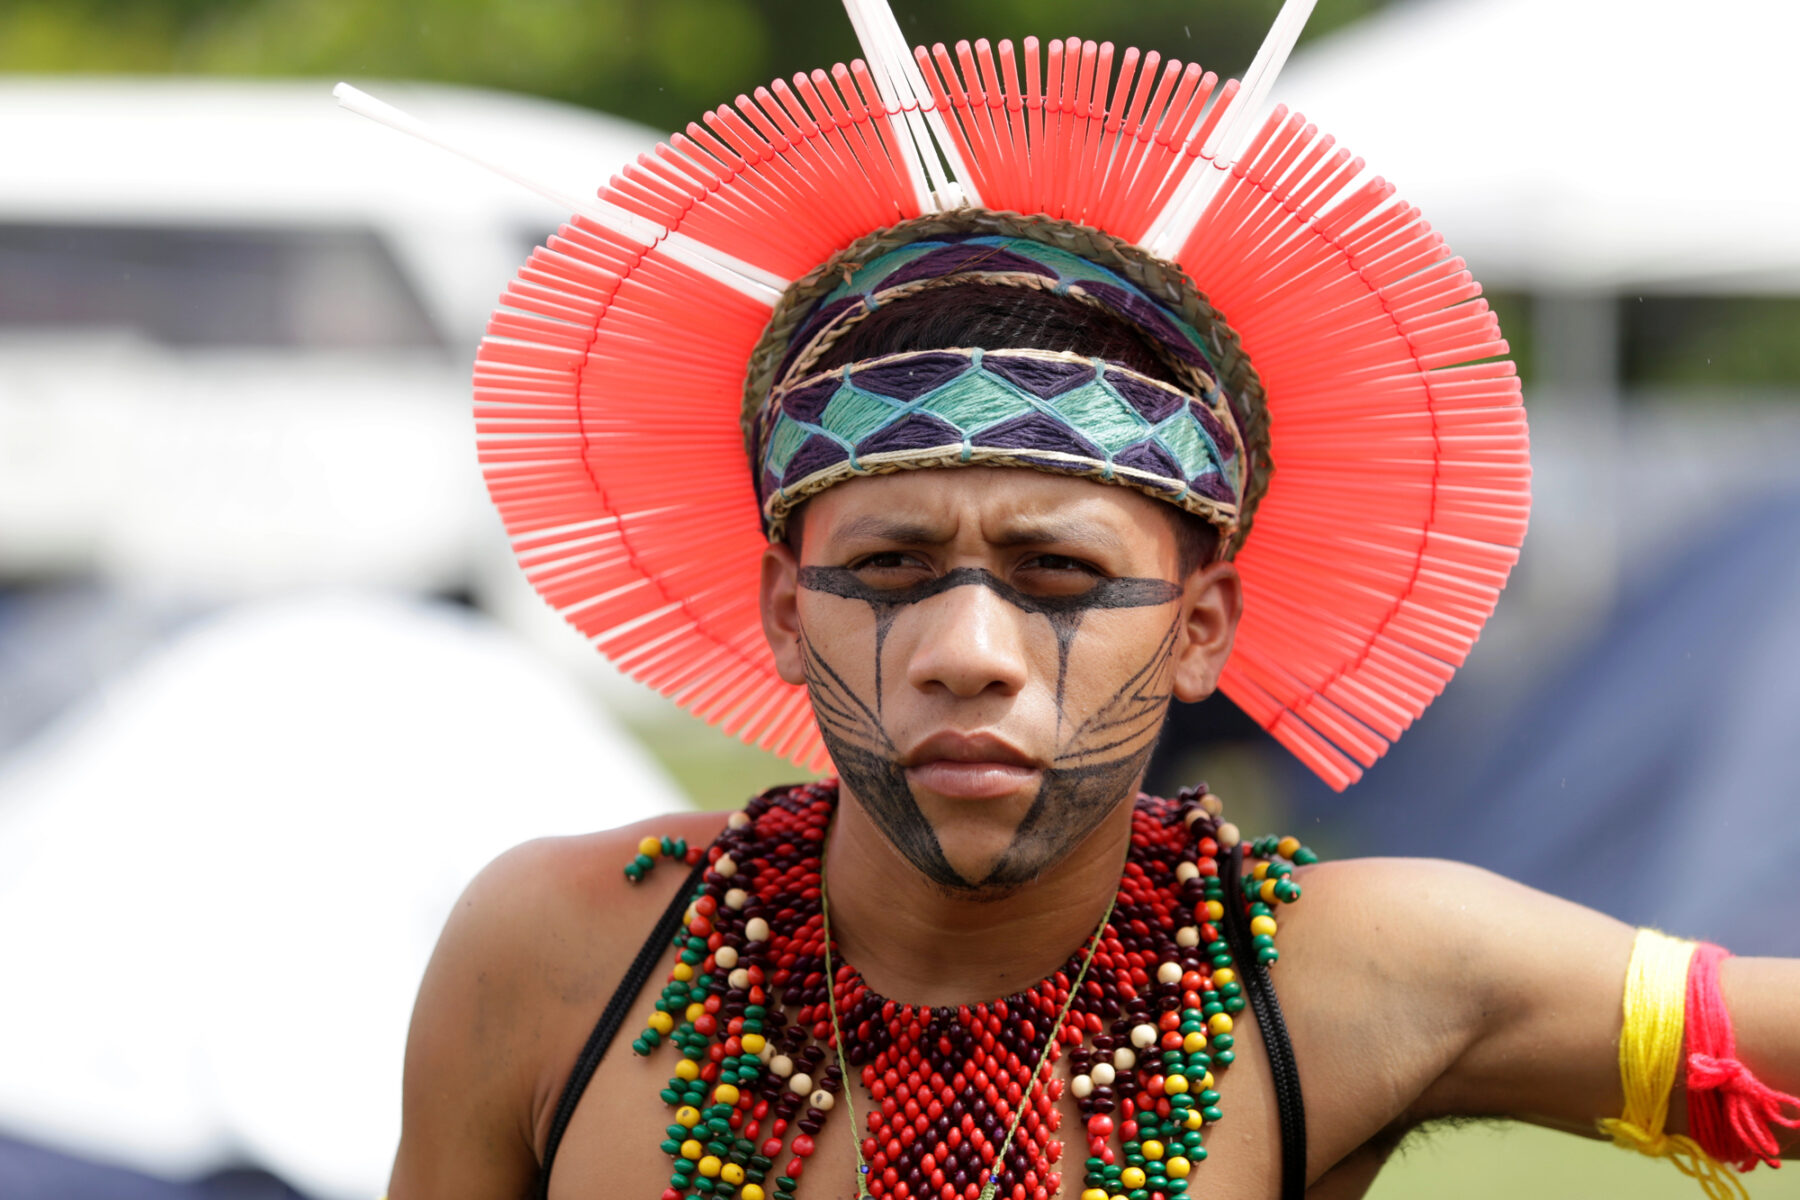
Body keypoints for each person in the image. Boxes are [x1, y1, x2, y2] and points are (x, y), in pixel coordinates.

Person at [370, 8, 1800, 1198]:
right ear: (785, 609)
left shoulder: (1332, 977)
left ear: (1201, 627)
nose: (968, 653)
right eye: (888, 570)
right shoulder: (565, 953)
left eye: (1059, 575)